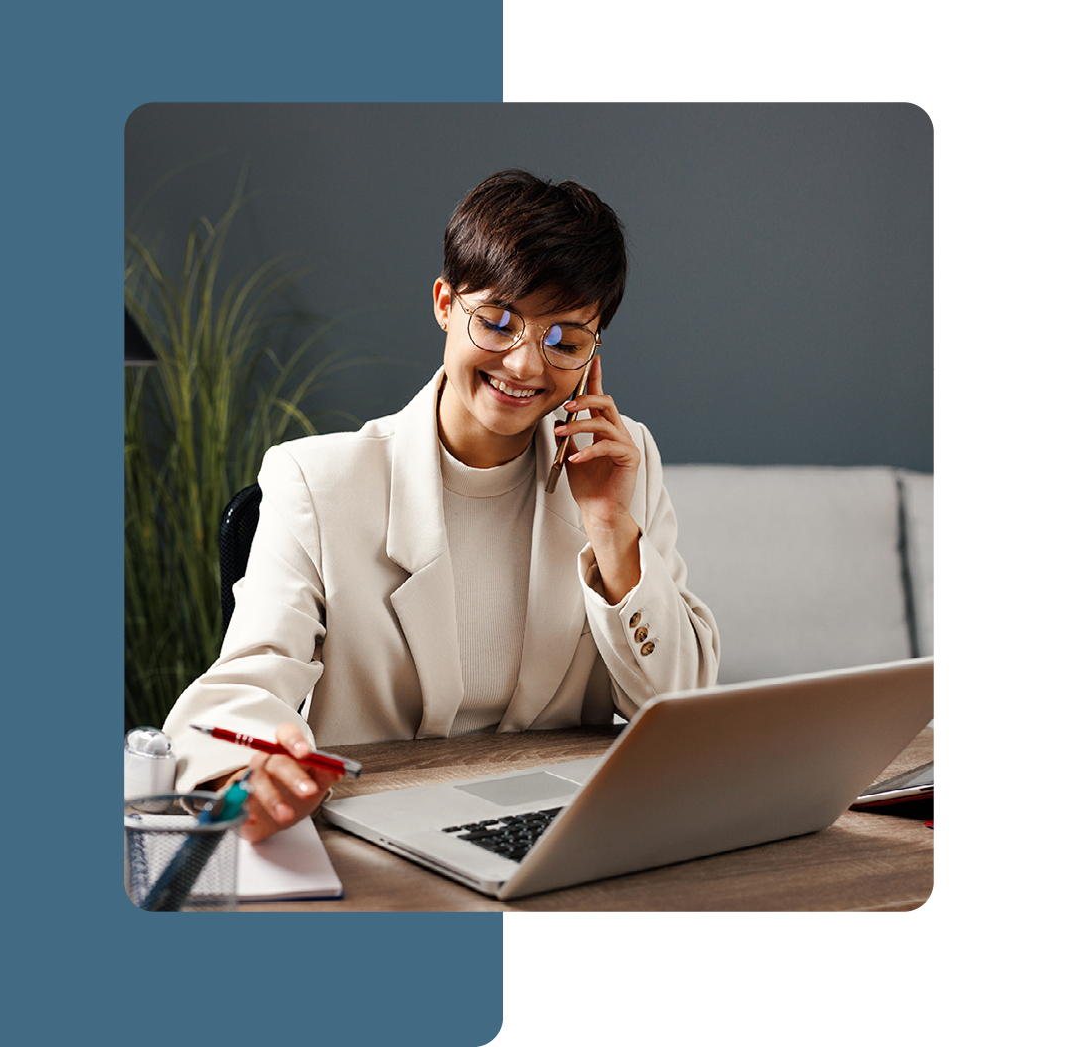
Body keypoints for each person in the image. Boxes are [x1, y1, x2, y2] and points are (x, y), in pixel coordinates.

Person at [163, 169, 720, 842]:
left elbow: (683, 706)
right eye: (498, 322)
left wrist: (609, 526)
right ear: (445, 304)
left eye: (564, 341)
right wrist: (255, 768)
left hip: (569, 831)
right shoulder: (317, 481)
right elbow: (237, 691)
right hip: (380, 832)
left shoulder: (624, 463)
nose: (524, 366)